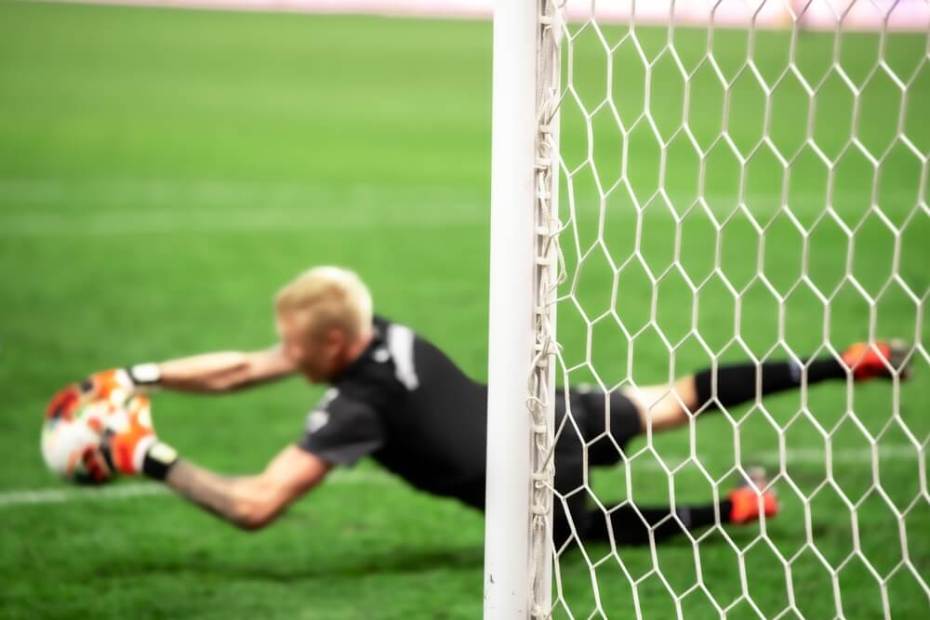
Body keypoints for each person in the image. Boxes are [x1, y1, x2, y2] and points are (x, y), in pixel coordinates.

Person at [46, 266, 910, 547]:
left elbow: (257, 505)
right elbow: (243, 368)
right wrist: (140, 374)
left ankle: (738, 506)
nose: (282, 357)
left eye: (296, 348)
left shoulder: (357, 408)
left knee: (593, 532)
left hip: (520, 485)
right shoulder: (376, 329)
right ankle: (845, 361)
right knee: (680, 398)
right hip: (544, 416)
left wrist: (143, 454)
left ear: (333, 350)